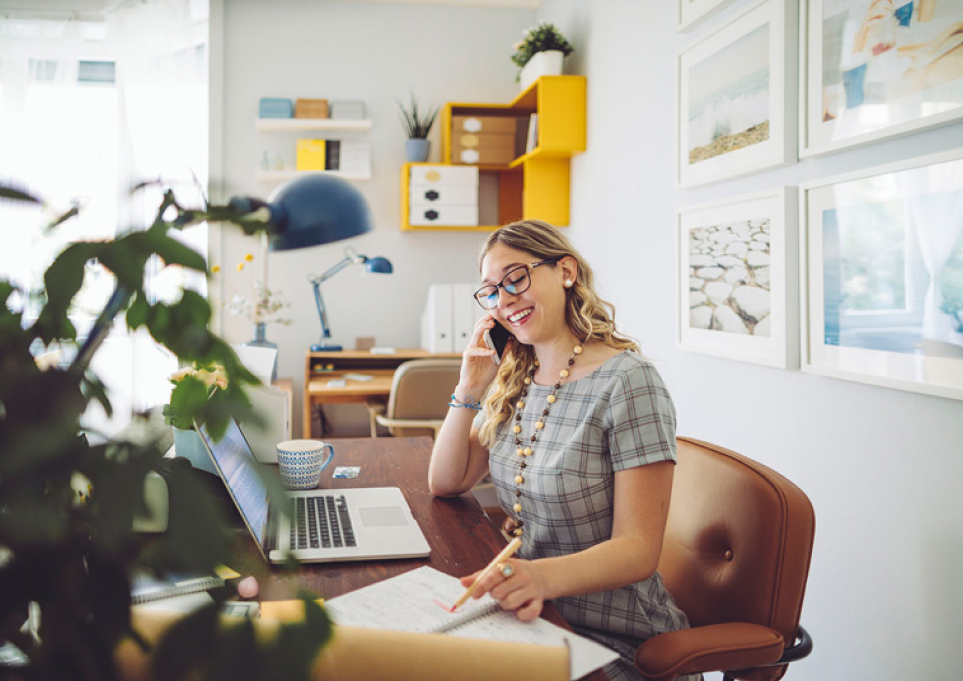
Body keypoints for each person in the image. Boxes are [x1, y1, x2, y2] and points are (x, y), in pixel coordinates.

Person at [428, 220, 695, 681]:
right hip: (531, 617)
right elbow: (446, 481)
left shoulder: (628, 382)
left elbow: (638, 550)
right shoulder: (518, 379)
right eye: (491, 291)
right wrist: (468, 387)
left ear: (566, 272)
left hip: (615, 639)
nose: (504, 299)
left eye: (515, 278)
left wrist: (539, 578)